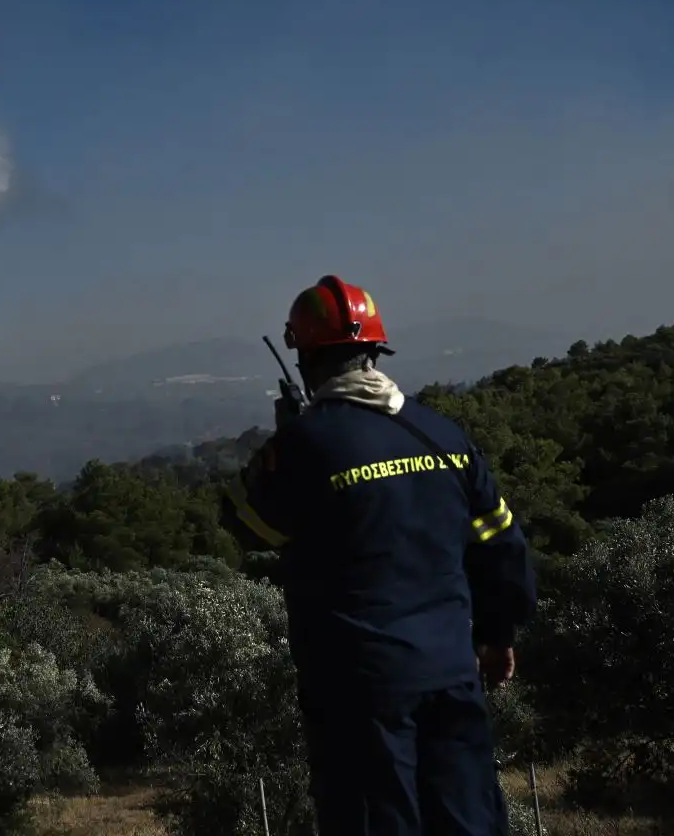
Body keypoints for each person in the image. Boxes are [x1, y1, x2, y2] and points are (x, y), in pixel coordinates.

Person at [220, 275, 537, 835]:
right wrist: (498, 633)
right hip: (453, 675)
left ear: (308, 357)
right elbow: (501, 542)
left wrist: (278, 449)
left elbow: (249, 525)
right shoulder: (441, 434)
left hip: (361, 690)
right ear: (374, 350)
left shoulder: (303, 445)